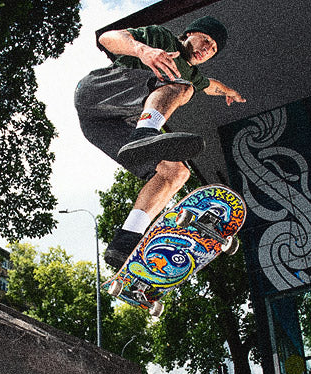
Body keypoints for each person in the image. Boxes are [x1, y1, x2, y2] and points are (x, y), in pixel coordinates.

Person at [74, 16, 247, 268]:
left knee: (176, 172)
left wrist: (229, 92)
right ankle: (144, 133)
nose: (207, 49)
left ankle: (126, 239)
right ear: (190, 33)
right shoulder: (161, 37)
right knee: (182, 88)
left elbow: (211, 86)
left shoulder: (194, 74)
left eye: (213, 50)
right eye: (206, 40)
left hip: (104, 128)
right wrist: (142, 50)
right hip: (98, 93)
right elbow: (107, 38)